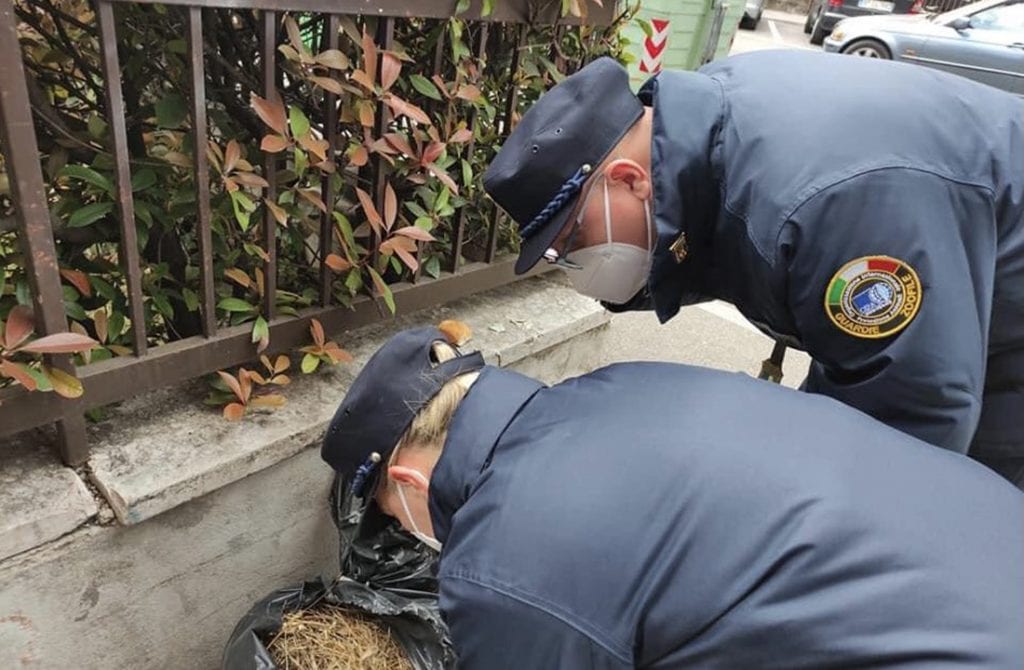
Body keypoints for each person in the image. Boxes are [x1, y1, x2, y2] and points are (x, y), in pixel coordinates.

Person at [321, 326, 1024, 669]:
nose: (407, 531)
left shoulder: (501, 567)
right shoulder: (623, 382)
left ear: (407, 485)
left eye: (390, 516)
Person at [482, 51, 1024, 488]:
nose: (575, 265)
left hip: (1003, 323)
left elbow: (910, 421)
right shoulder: (701, 131)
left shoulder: (818, 206)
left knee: (969, 499)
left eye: (574, 239)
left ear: (628, 180)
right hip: (972, 304)